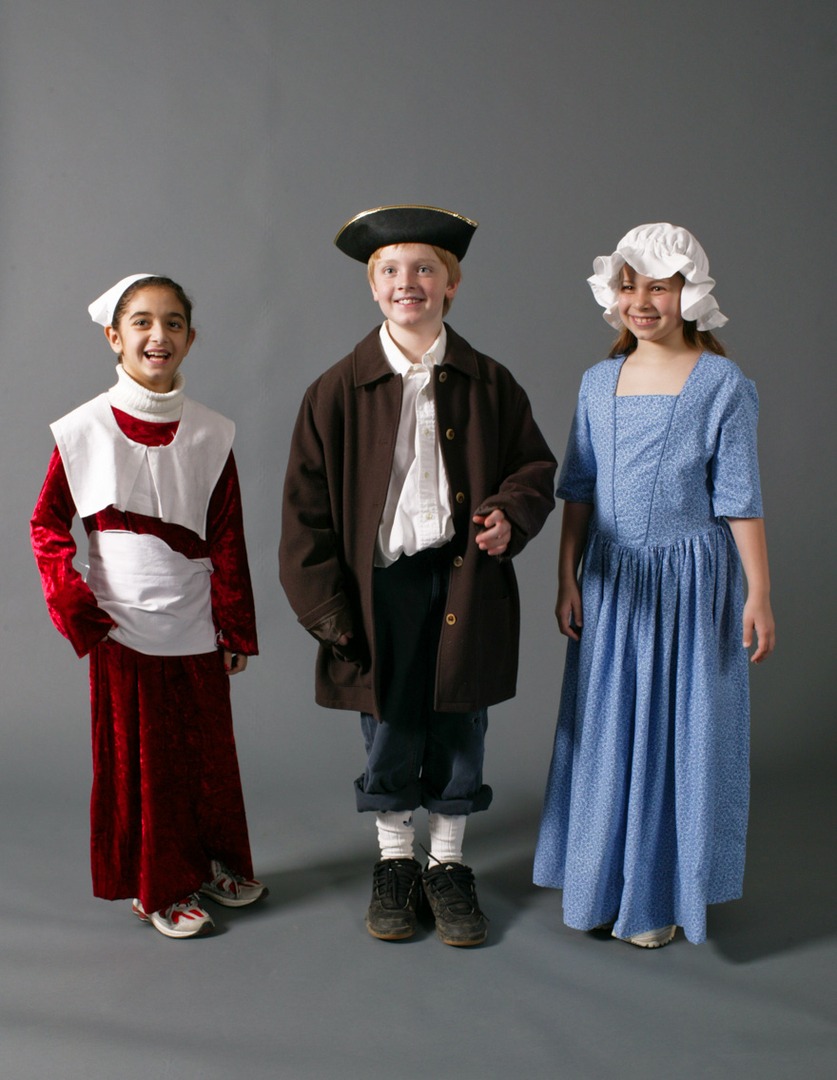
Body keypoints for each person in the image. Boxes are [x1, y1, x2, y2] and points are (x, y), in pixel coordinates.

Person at [280, 205, 556, 946]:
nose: (409, 283)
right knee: (392, 721)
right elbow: (303, 515)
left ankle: (448, 865)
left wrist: (508, 512)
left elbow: (534, 466)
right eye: (392, 271)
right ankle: (396, 862)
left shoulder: (489, 381)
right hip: (381, 586)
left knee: (460, 718)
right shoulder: (335, 390)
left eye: (425, 269)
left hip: (465, 578)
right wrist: (329, 612)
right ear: (374, 288)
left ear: (451, 286)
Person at [533, 224, 775, 947]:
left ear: (688, 293)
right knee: (609, 728)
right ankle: (603, 882)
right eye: (629, 285)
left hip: (688, 585)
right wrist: (566, 576)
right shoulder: (595, 382)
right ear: (613, 295)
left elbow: (738, 496)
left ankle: (659, 895)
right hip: (611, 581)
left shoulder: (721, 383)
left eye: (659, 286)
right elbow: (577, 487)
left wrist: (758, 592)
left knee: (679, 730)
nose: (642, 300)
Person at [31, 274, 266, 939]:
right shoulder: (82, 430)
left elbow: (226, 534)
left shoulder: (212, 433)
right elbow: (47, 526)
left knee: (207, 756)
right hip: (121, 626)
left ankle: (215, 859)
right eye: (141, 322)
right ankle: (157, 885)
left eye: (171, 323)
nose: (156, 336)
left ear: (190, 337)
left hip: (194, 619)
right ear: (114, 336)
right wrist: (76, 606)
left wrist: (235, 627)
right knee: (147, 761)